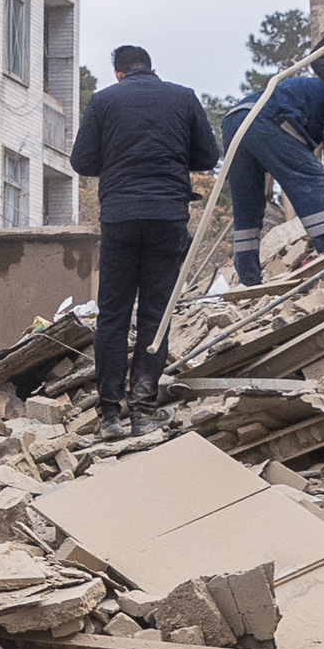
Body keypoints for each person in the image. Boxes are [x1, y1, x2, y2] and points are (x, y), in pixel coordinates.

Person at [66, 43, 215, 422]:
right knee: (155, 314)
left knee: (113, 315)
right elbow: (208, 156)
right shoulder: (183, 98)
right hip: (168, 217)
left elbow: (82, 161)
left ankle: (109, 416)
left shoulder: (103, 101)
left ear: (118, 72)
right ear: (150, 68)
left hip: (120, 218)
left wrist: (116, 157)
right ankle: (143, 411)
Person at [229, 63, 324, 277]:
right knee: (318, 180)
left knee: (247, 204)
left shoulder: (310, 95)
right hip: (265, 119)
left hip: (234, 119)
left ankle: (247, 279)